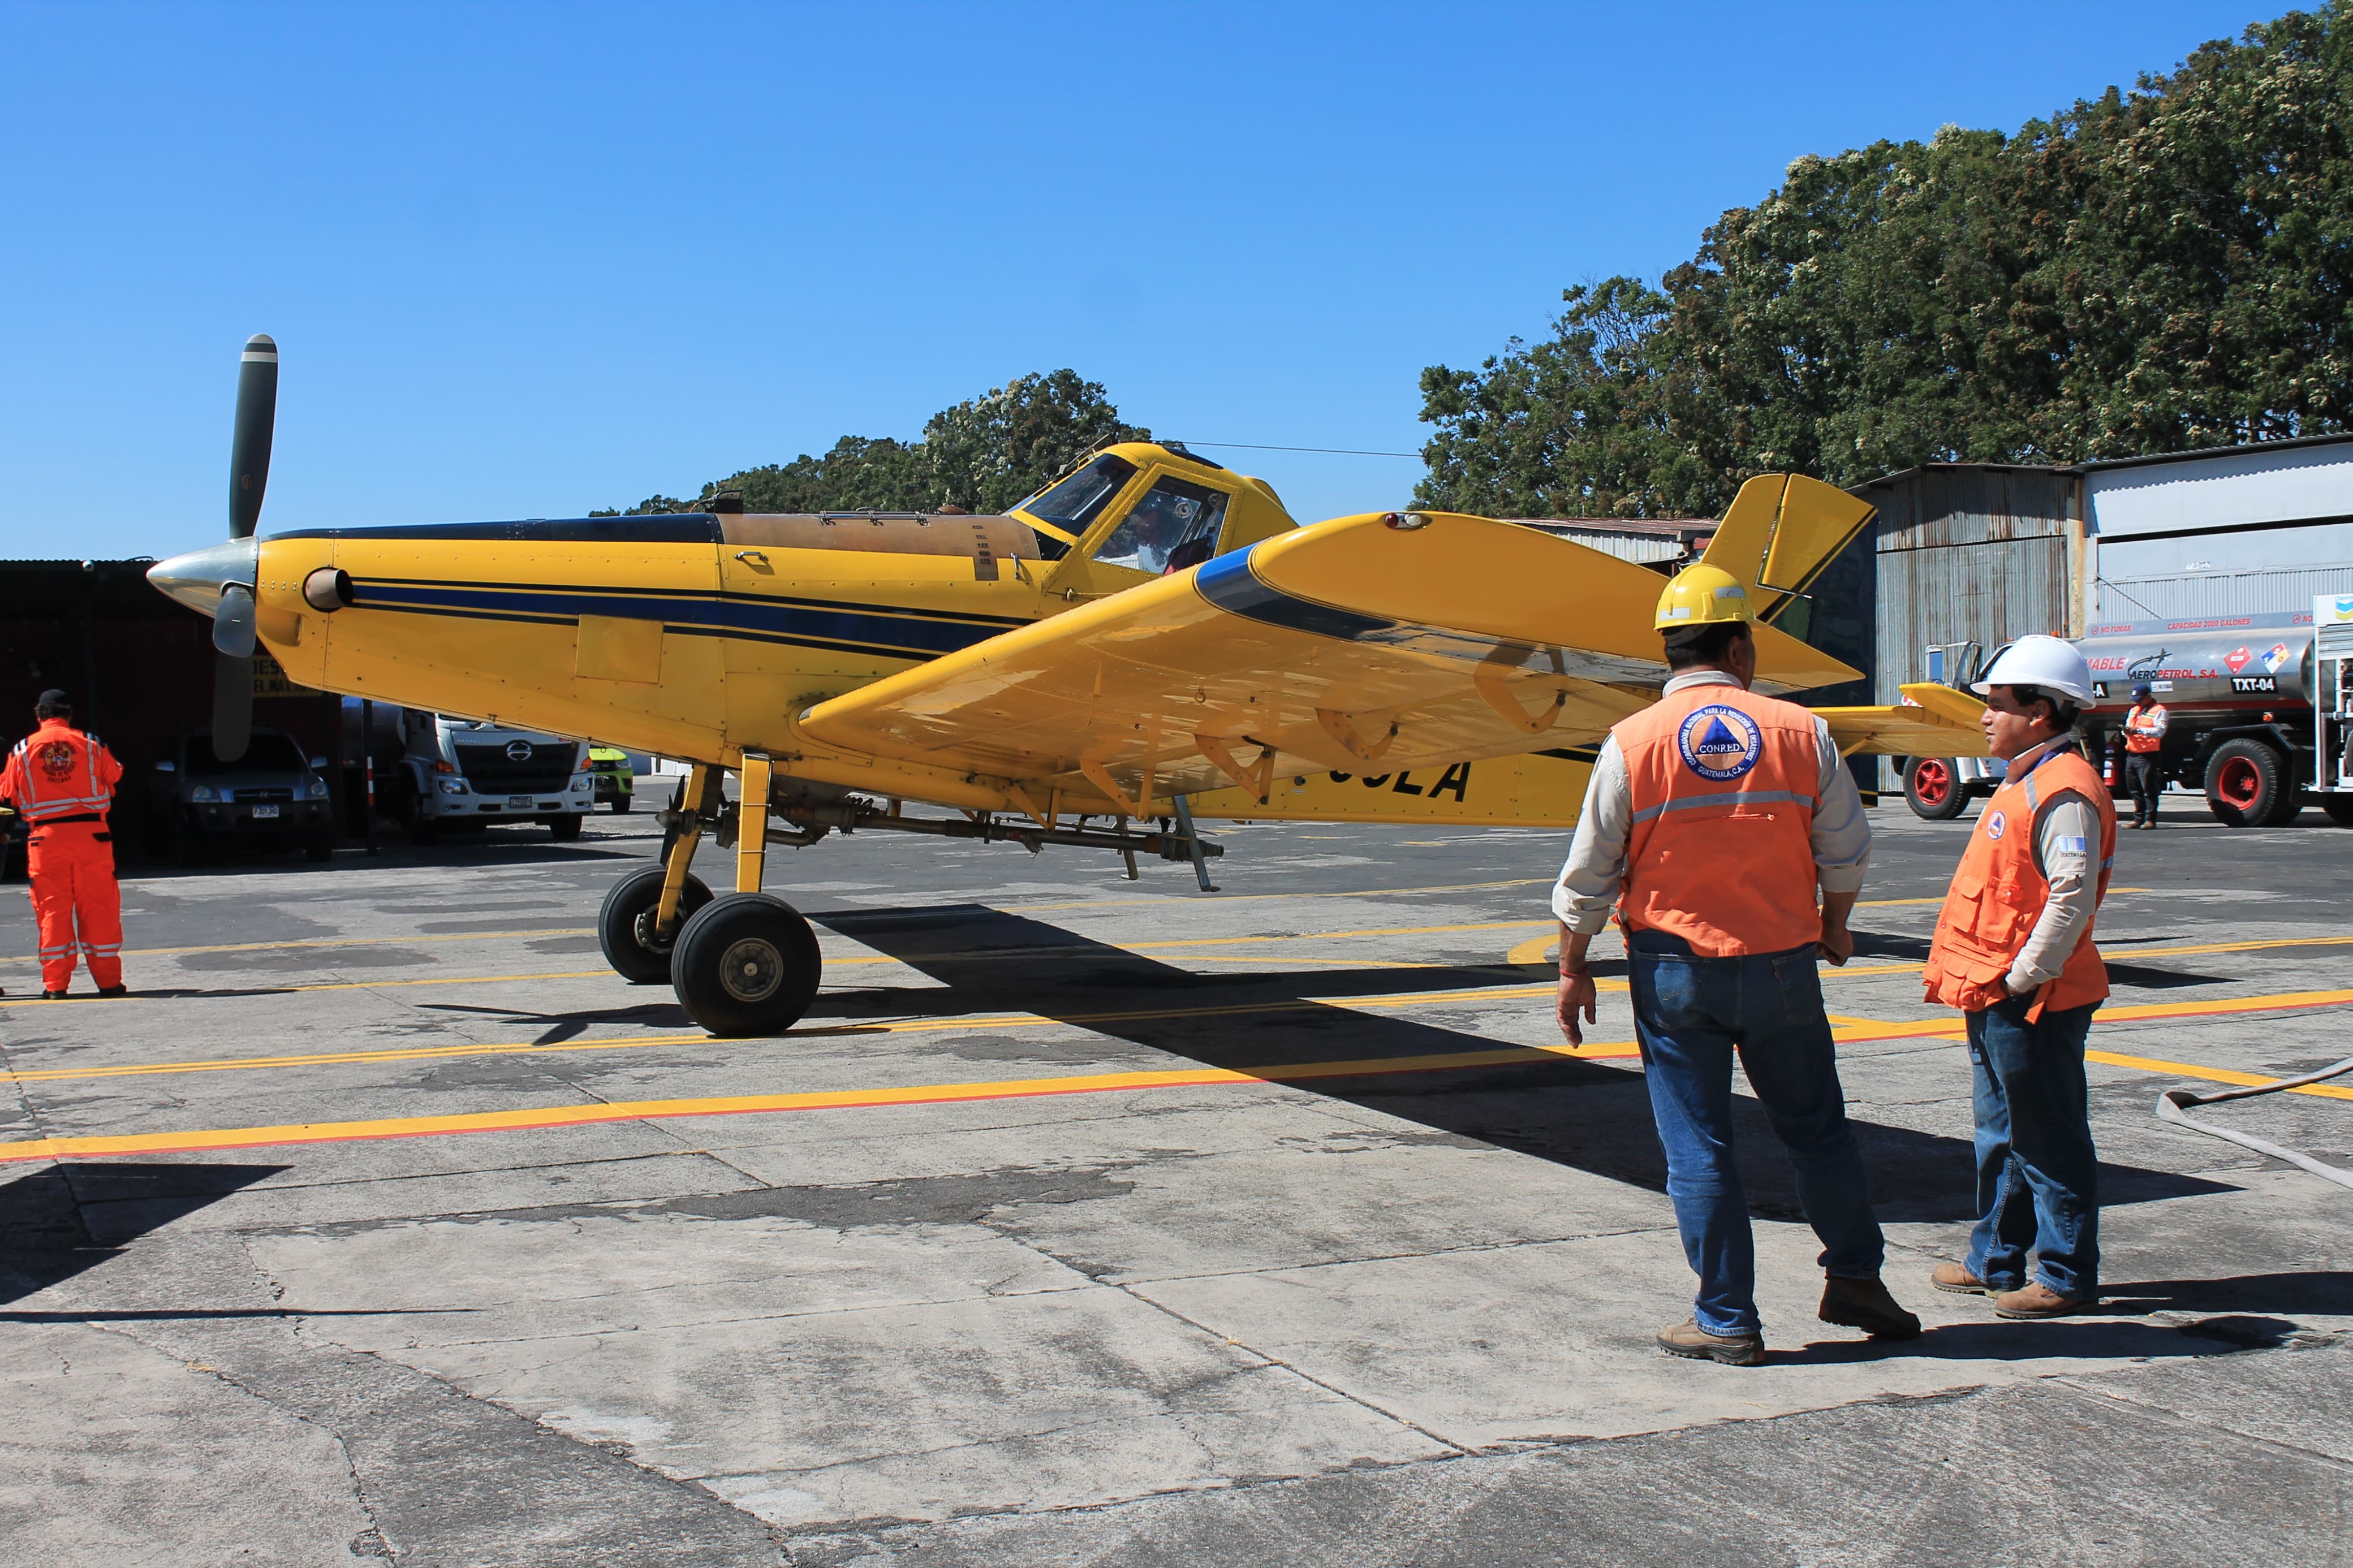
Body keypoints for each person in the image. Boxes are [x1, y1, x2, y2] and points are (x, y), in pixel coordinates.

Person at [1552, 563, 1919, 1366]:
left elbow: (1590, 873)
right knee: (1820, 1133)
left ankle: (1726, 1317)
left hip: (1674, 970)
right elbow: (1848, 850)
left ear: (1669, 652)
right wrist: (1836, 923)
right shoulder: (1801, 732)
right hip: (1784, 966)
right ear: (1742, 646)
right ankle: (1856, 1276)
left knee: (1700, 1148)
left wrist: (1573, 966)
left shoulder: (1632, 741)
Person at [1921, 635, 2115, 1320]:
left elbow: (2070, 894)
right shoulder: (2025, 778)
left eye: (1996, 705)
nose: (1983, 717)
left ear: (2039, 712)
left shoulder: (2064, 791)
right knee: (2000, 1133)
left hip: (2029, 996)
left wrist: (2025, 976)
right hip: (1995, 989)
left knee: (2047, 1136)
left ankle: (2064, 1274)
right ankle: (1994, 1259)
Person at [0, 691, 127, 999]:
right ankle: (109, 983)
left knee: (52, 912)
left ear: (39, 715)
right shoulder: (92, 743)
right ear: (68, 714)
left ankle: (56, 986)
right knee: (99, 908)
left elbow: (7, 793)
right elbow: (115, 776)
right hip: (92, 838)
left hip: (46, 840)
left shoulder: (22, 749)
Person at [2121, 683, 2167, 828]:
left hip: (2148, 756)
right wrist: (2126, 732)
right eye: (2135, 700)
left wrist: (2139, 731)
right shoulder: (2134, 710)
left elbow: (2160, 731)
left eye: (2140, 699)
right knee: (2134, 789)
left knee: (2149, 789)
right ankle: (2138, 819)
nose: (2137, 702)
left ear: (2148, 696)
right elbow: (2127, 727)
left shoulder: (2160, 711)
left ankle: (2150, 819)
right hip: (2132, 754)